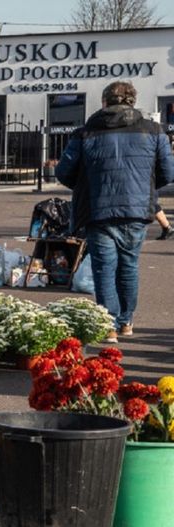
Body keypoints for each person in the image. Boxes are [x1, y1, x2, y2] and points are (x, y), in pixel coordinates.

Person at [56, 81, 174, 343]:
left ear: (105, 102)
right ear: (132, 101)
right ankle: (126, 322)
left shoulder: (85, 132)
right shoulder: (154, 131)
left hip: (98, 208)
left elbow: (63, 172)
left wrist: (88, 184)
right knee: (129, 266)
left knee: (104, 269)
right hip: (136, 208)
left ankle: (108, 324)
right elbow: (168, 172)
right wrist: (144, 185)